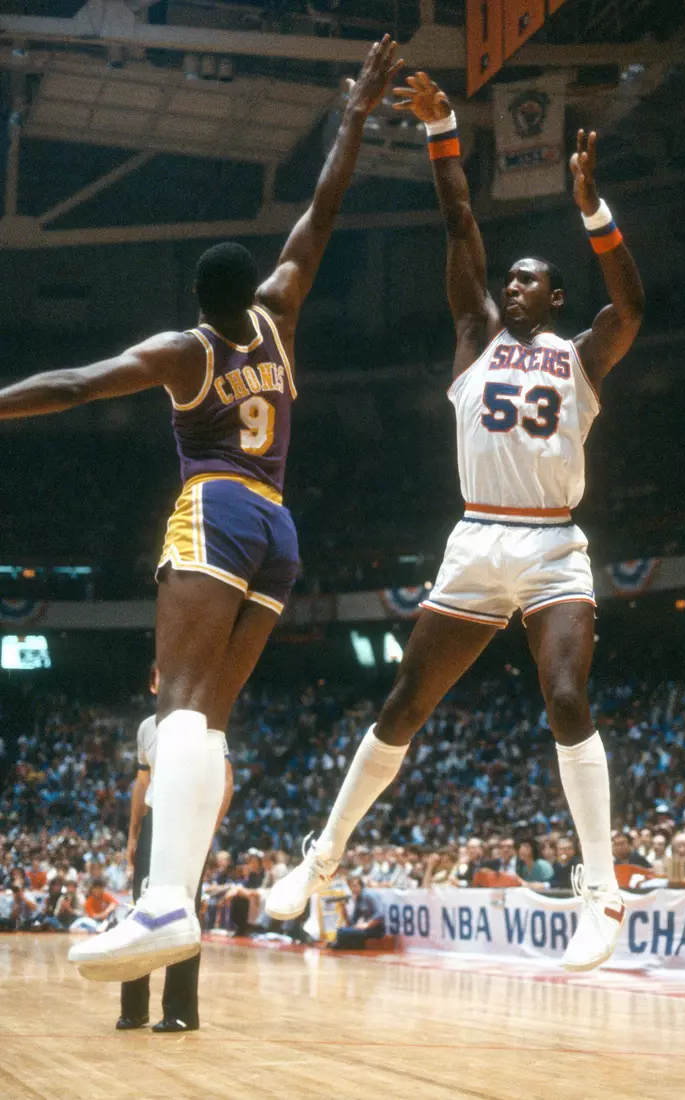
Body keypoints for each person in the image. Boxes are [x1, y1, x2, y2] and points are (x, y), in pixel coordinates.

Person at [0, 36, 402, 983]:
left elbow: (68, 385)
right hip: (281, 526)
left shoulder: (185, 351)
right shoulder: (283, 306)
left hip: (217, 506)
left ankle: (163, 903)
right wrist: (353, 116)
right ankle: (170, 905)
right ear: (249, 286)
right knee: (208, 725)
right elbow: (323, 209)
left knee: (174, 710)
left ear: (194, 297)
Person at [267, 71, 645, 975]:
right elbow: (461, 229)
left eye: (530, 282)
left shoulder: (582, 354)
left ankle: (601, 893)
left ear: (553, 299)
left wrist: (595, 217)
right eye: (509, 280)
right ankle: (320, 860)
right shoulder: (473, 339)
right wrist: (442, 132)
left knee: (564, 699)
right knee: (404, 704)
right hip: (476, 541)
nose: (513, 287)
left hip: (553, 544)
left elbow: (630, 307)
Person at [117, 698, 233, 1033]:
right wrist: (134, 834)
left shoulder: (208, 724)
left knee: (185, 912)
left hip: (190, 823)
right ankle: (134, 1009)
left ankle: (181, 1011)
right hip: (155, 821)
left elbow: (226, 778)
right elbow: (142, 783)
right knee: (140, 910)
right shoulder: (147, 727)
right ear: (154, 682)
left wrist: (208, 830)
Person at [329, 876, 385, 950]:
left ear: (361, 886)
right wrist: (344, 911)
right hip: (366, 929)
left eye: (355, 886)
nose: (352, 889)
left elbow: (380, 914)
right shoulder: (358, 898)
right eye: (351, 887)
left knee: (341, 933)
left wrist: (367, 925)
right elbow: (352, 923)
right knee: (341, 930)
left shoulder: (369, 895)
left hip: (376, 929)